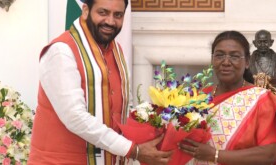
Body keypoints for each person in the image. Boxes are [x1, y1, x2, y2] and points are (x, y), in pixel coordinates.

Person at [28, 0, 171, 164]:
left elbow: (123, 108)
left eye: (118, 15)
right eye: (103, 12)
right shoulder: (61, 51)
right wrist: (134, 151)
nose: (110, 21)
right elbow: (75, 117)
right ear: (86, 11)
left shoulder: (116, 50)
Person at [179, 31, 276, 165]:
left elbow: (270, 153)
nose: (226, 62)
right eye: (219, 55)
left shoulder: (261, 99)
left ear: (247, 62)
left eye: (234, 56)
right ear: (212, 60)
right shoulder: (198, 97)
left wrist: (215, 155)